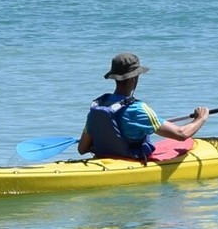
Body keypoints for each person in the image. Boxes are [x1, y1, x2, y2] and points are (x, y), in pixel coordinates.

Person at [77, 53, 209, 160]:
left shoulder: (98, 107)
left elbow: (82, 149)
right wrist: (200, 118)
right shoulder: (139, 109)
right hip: (130, 161)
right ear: (134, 77)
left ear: (115, 78)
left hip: (103, 159)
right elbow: (182, 134)